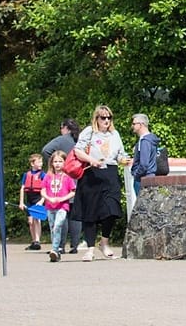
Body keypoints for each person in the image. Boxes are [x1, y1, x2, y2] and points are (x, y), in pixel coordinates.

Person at [69, 104, 128, 261]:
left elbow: (120, 154)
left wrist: (125, 160)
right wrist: (92, 160)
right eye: (103, 117)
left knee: (112, 209)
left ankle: (104, 241)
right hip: (92, 173)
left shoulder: (115, 134)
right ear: (97, 118)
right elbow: (77, 150)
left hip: (110, 173)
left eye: (109, 117)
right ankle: (90, 248)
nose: (107, 120)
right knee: (91, 212)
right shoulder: (89, 132)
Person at [41, 118, 81, 252]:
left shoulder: (62, 139)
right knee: (75, 214)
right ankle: (75, 245)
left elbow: (46, 150)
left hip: (62, 180)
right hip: (79, 178)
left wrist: (55, 164)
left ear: (65, 128)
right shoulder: (81, 140)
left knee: (61, 213)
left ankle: (60, 246)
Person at [41, 151, 76, 262]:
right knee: (53, 228)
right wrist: (48, 198)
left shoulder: (67, 177)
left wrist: (62, 199)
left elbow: (73, 191)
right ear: (51, 163)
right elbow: (43, 190)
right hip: (50, 206)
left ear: (65, 163)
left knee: (58, 225)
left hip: (62, 206)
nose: (57, 164)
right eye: (55, 161)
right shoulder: (48, 176)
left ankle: (55, 249)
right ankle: (56, 250)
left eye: (60, 161)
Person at [129, 113, 159, 197]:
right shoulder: (151, 139)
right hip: (151, 177)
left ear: (141, 124)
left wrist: (136, 174)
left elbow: (144, 164)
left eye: (134, 124)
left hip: (143, 179)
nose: (132, 126)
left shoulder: (145, 141)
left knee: (142, 207)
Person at [21, 153, 46, 249]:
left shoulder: (43, 175)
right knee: (30, 221)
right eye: (38, 162)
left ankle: (37, 241)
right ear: (32, 163)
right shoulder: (26, 175)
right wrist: (21, 202)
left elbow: (45, 188)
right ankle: (33, 240)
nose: (41, 164)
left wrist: (42, 200)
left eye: (41, 162)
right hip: (29, 199)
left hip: (38, 198)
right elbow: (22, 188)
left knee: (37, 219)